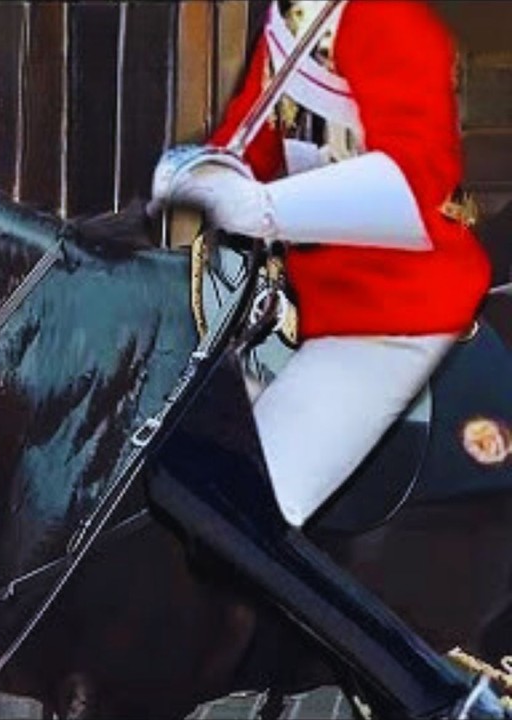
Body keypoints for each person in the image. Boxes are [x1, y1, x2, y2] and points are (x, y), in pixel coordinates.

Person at [148, 1, 502, 717]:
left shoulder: (392, 22)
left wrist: (266, 206)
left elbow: (413, 181)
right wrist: (203, 172)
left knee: (232, 497)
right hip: (302, 291)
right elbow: (252, 142)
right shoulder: (296, 18)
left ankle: (433, 693)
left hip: (392, 306)